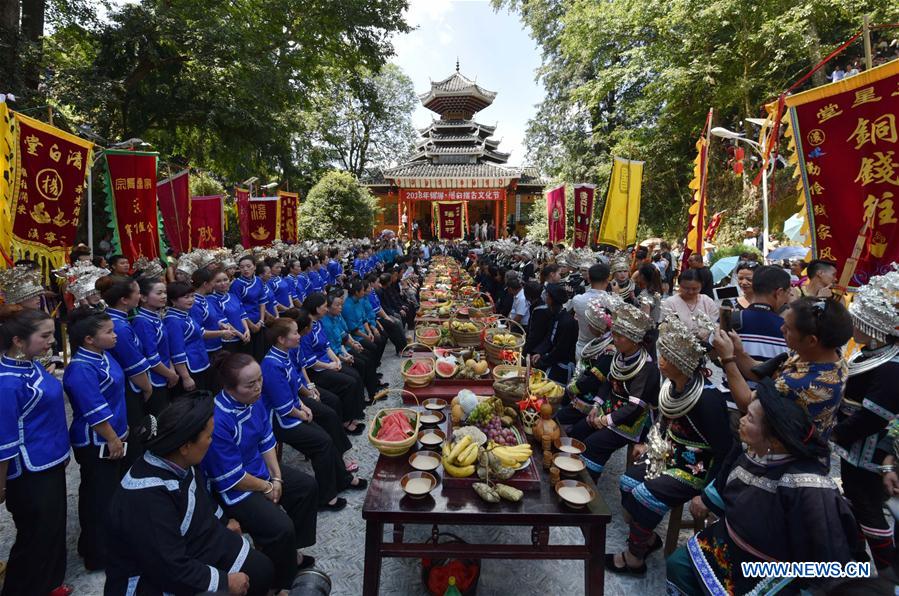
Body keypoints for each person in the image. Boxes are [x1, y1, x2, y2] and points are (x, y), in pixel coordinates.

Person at [666, 382, 859, 595]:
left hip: (767, 568)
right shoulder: (751, 452)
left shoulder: (809, 486)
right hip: (728, 544)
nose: (740, 421)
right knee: (678, 565)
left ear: (775, 441)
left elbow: (829, 552)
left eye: (749, 418)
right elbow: (729, 490)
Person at [104, 394, 275, 595]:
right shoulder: (146, 498)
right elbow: (168, 567)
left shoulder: (179, 460)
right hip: (152, 579)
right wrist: (224, 582)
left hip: (186, 546)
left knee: (260, 568)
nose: (212, 441)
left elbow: (200, 497)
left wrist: (223, 521)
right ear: (186, 446)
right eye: (209, 436)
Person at [608, 314, 732, 575]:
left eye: (666, 357)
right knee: (627, 482)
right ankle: (647, 539)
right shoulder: (672, 387)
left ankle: (634, 558)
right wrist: (649, 443)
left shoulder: (708, 400)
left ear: (683, 363)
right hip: (667, 453)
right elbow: (663, 421)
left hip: (696, 467)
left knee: (643, 496)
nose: (660, 361)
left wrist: (708, 493)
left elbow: (724, 450)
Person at [202, 352, 319, 592]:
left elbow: (266, 441)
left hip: (261, 472)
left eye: (260, 380)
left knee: (306, 487)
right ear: (230, 387)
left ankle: (290, 551)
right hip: (235, 488)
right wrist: (267, 486)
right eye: (250, 384)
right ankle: (280, 584)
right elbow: (231, 477)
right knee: (281, 527)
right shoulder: (218, 419)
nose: (258, 388)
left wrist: (276, 477)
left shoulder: (255, 402)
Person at [0, 306, 71, 596]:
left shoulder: (31, 364)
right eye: (44, 336)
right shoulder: (6, 383)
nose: (51, 342)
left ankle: (50, 584)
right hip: (29, 472)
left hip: (50, 460)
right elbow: (3, 442)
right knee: (35, 537)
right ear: (18, 340)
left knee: (53, 530)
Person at [261, 318, 367, 512]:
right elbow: (282, 407)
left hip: (295, 409)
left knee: (326, 434)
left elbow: (294, 384)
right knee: (322, 443)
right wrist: (302, 414)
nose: (299, 335)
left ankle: (342, 479)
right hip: (280, 420)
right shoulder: (271, 365)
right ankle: (326, 497)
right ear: (282, 339)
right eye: (294, 333)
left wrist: (304, 402)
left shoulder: (284, 355)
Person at [831, 270, 899, 571]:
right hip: (854, 451)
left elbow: (873, 416)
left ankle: (887, 572)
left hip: (869, 455)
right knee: (857, 503)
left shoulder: (891, 366)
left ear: (872, 327)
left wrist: (834, 435)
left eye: (856, 320)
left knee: (869, 508)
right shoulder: (873, 355)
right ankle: (855, 563)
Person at [714, 297, 853, 438]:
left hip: (781, 453)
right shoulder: (830, 355)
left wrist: (728, 359)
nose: (781, 329)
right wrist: (739, 352)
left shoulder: (798, 383)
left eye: (788, 328)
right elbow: (762, 371)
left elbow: (747, 403)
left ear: (811, 340)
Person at [63, 308, 129, 572]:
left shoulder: (102, 355)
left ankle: (102, 542)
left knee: (107, 494)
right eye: (109, 332)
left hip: (113, 434)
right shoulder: (80, 368)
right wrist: (113, 439)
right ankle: (97, 553)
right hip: (97, 440)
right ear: (89, 339)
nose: (115, 336)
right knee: (97, 498)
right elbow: (94, 409)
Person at [568, 302, 660, 480]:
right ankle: (570, 473)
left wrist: (605, 420)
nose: (614, 339)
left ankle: (586, 485)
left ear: (635, 340)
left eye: (619, 336)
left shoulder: (647, 368)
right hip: (610, 410)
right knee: (579, 430)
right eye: (614, 334)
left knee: (594, 444)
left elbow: (634, 408)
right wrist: (596, 406)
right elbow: (608, 383)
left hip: (632, 421)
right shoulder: (620, 355)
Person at [100, 277, 154, 454]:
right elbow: (133, 364)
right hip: (129, 388)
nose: (140, 296)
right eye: (138, 293)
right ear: (124, 299)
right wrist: (147, 388)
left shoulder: (116, 319)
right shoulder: (119, 327)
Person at [301, 293, 367, 429]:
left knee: (354, 375)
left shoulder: (318, 323)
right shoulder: (306, 329)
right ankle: (346, 422)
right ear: (317, 309)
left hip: (328, 363)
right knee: (349, 382)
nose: (326, 309)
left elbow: (326, 346)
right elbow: (309, 361)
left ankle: (354, 413)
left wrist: (337, 359)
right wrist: (330, 365)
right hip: (316, 370)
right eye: (325, 307)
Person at [132, 277, 180, 415]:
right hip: (154, 379)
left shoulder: (155, 316)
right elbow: (151, 358)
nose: (164, 296)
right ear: (144, 297)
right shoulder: (142, 322)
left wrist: (171, 371)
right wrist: (171, 375)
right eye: (159, 293)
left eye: (164, 292)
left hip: (165, 374)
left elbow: (164, 349)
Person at [165, 281, 212, 394]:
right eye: (186, 297)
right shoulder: (173, 321)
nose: (191, 300)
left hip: (199, 362)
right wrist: (186, 377)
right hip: (190, 368)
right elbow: (177, 352)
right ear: (173, 300)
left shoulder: (184, 314)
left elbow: (201, 332)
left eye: (192, 296)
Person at [531, 283, 578, 383]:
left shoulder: (567, 322)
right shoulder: (554, 314)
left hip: (562, 364)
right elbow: (549, 338)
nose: (544, 297)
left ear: (551, 299)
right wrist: (539, 352)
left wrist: (542, 360)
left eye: (547, 295)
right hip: (552, 358)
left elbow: (560, 350)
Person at [191, 266, 237, 356]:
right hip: (205, 349)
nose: (214, 285)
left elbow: (211, 319)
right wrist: (221, 333)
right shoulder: (194, 303)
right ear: (205, 284)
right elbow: (198, 331)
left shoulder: (205, 299)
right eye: (213, 282)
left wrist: (221, 325)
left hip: (215, 345)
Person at [571, 263, 612, 361]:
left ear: (589, 279)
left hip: (582, 348)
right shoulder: (614, 302)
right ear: (607, 280)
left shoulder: (577, 300)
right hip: (604, 352)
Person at [230, 255, 267, 360]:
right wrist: (251, 326)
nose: (245, 269)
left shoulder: (258, 280)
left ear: (254, 267)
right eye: (242, 267)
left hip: (259, 323)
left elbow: (262, 301)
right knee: (248, 356)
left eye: (248, 266)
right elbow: (238, 309)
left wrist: (261, 321)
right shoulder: (237, 285)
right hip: (245, 325)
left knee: (260, 354)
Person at [661, 269, 718, 335]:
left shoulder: (707, 301)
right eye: (686, 288)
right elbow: (665, 328)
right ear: (680, 285)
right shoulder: (670, 303)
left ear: (701, 286)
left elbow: (715, 324)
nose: (690, 292)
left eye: (695, 289)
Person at [210, 268, 251, 353]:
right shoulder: (212, 300)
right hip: (229, 341)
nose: (223, 283)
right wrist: (241, 335)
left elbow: (242, 315)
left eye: (225, 280)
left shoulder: (233, 296)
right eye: (218, 281)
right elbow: (224, 322)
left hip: (244, 337)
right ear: (212, 283)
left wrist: (247, 330)